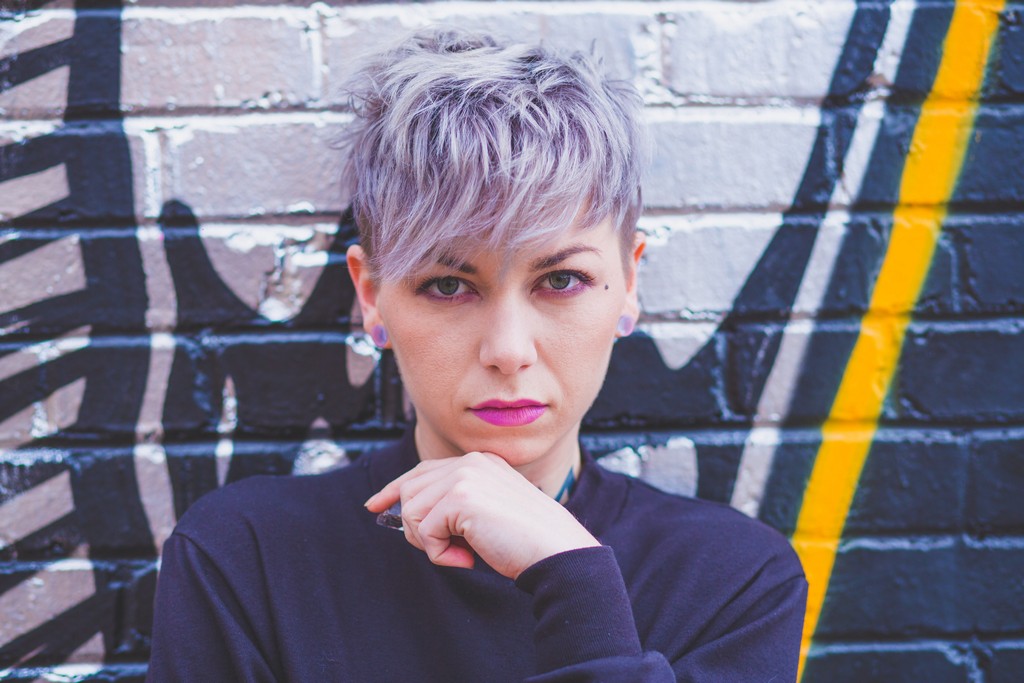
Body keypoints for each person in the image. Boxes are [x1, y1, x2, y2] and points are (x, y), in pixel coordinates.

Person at [146, 28, 807, 682]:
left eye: (560, 280)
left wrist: (571, 577)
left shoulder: (735, 582)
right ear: (371, 296)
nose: (508, 350)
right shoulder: (249, 559)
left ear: (628, 285)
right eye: (448, 285)